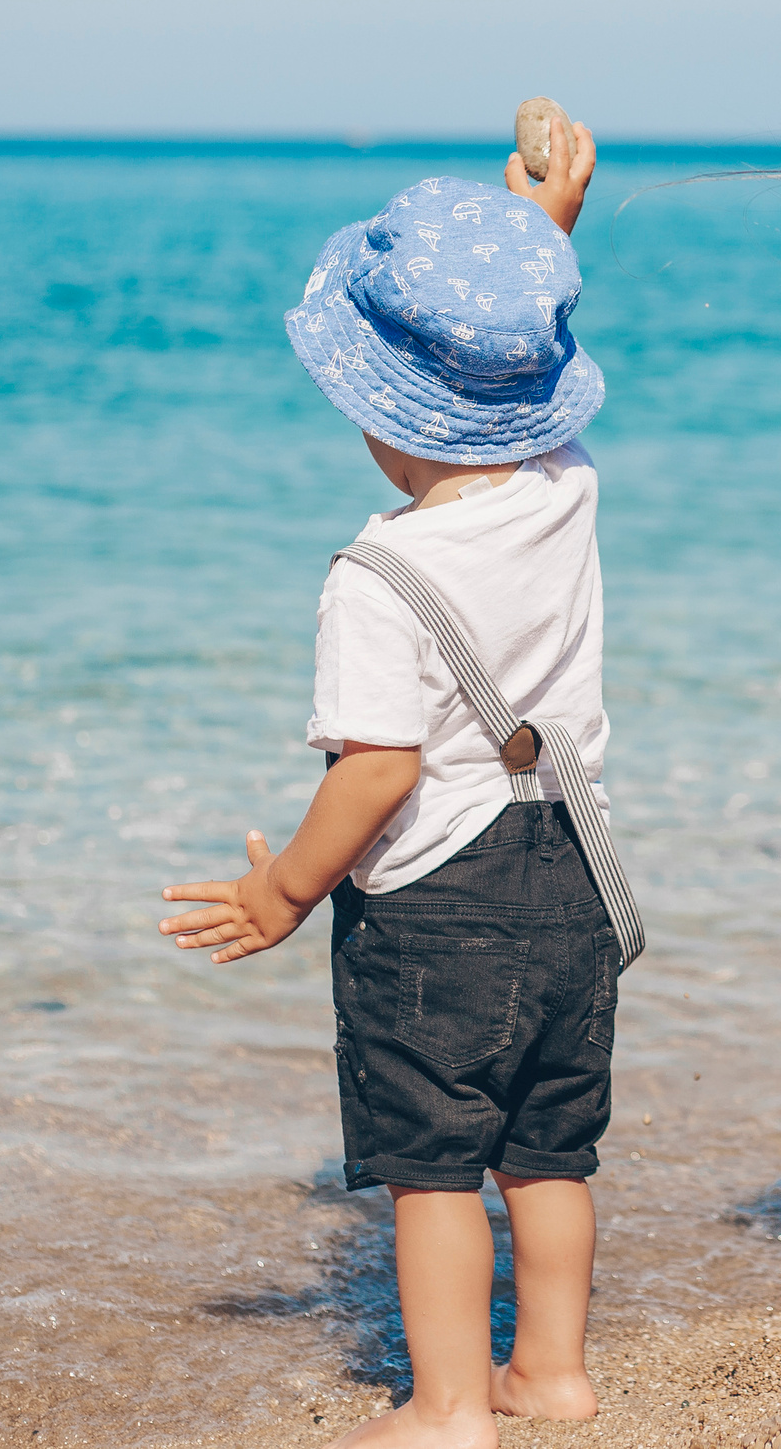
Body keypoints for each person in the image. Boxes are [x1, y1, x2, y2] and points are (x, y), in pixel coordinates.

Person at [160, 122, 639, 1449]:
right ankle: (549, 1375)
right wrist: (543, 223)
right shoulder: (568, 489)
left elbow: (378, 772)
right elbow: (510, 363)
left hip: (437, 902)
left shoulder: (377, 576)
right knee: (549, 1151)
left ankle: (443, 1409)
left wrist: (281, 890)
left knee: (432, 1170)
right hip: (574, 883)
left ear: (378, 412)